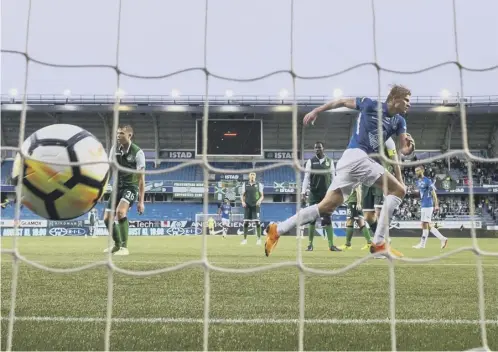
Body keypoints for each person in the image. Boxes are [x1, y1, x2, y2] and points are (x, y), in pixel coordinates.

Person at [265, 85, 415, 257]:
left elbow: (402, 149)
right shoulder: (370, 104)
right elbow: (342, 101)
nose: (409, 104)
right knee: (399, 190)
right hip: (356, 157)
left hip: (351, 162)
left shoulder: (400, 121)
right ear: (395, 98)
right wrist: (317, 110)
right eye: (407, 100)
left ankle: (277, 229)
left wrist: (409, 150)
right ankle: (379, 243)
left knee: (325, 207)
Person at [103, 125, 145, 256]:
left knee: (120, 212)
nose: (118, 136)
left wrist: (141, 201)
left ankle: (124, 248)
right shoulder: (114, 149)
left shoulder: (138, 152)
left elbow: (141, 179)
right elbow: (109, 169)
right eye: (117, 133)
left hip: (130, 187)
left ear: (129, 136)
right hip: (116, 187)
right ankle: (117, 245)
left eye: (121, 133)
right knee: (107, 218)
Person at [301, 141, 341, 251]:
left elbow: (334, 178)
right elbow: (306, 178)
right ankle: (310, 245)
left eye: (319, 148)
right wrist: (303, 192)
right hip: (314, 194)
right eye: (315, 148)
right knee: (312, 219)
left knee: (327, 219)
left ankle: (331, 245)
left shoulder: (330, 162)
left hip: (326, 195)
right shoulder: (310, 162)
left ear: (324, 149)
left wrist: (336, 191)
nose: (317, 150)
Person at [412, 165, 448, 249]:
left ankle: (423, 244)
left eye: (418, 170)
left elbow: (433, 193)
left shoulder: (427, 180)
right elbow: (421, 192)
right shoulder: (418, 181)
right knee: (426, 225)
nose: (416, 172)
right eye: (415, 171)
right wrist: (414, 191)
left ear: (422, 171)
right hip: (423, 204)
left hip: (428, 204)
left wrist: (436, 204)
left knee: (425, 224)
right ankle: (442, 239)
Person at [241, 172, 264, 245]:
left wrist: (259, 201)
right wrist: (243, 202)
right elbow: (242, 195)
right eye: (251, 175)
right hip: (247, 206)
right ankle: (244, 239)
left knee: (257, 222)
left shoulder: (259, 185)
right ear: (249, 176)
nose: (252, 176)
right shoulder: (245, 185)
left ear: (255, 176)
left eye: (254, 175)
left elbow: (262, 196)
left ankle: (259, 239)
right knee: (246, 222)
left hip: (256, 206)